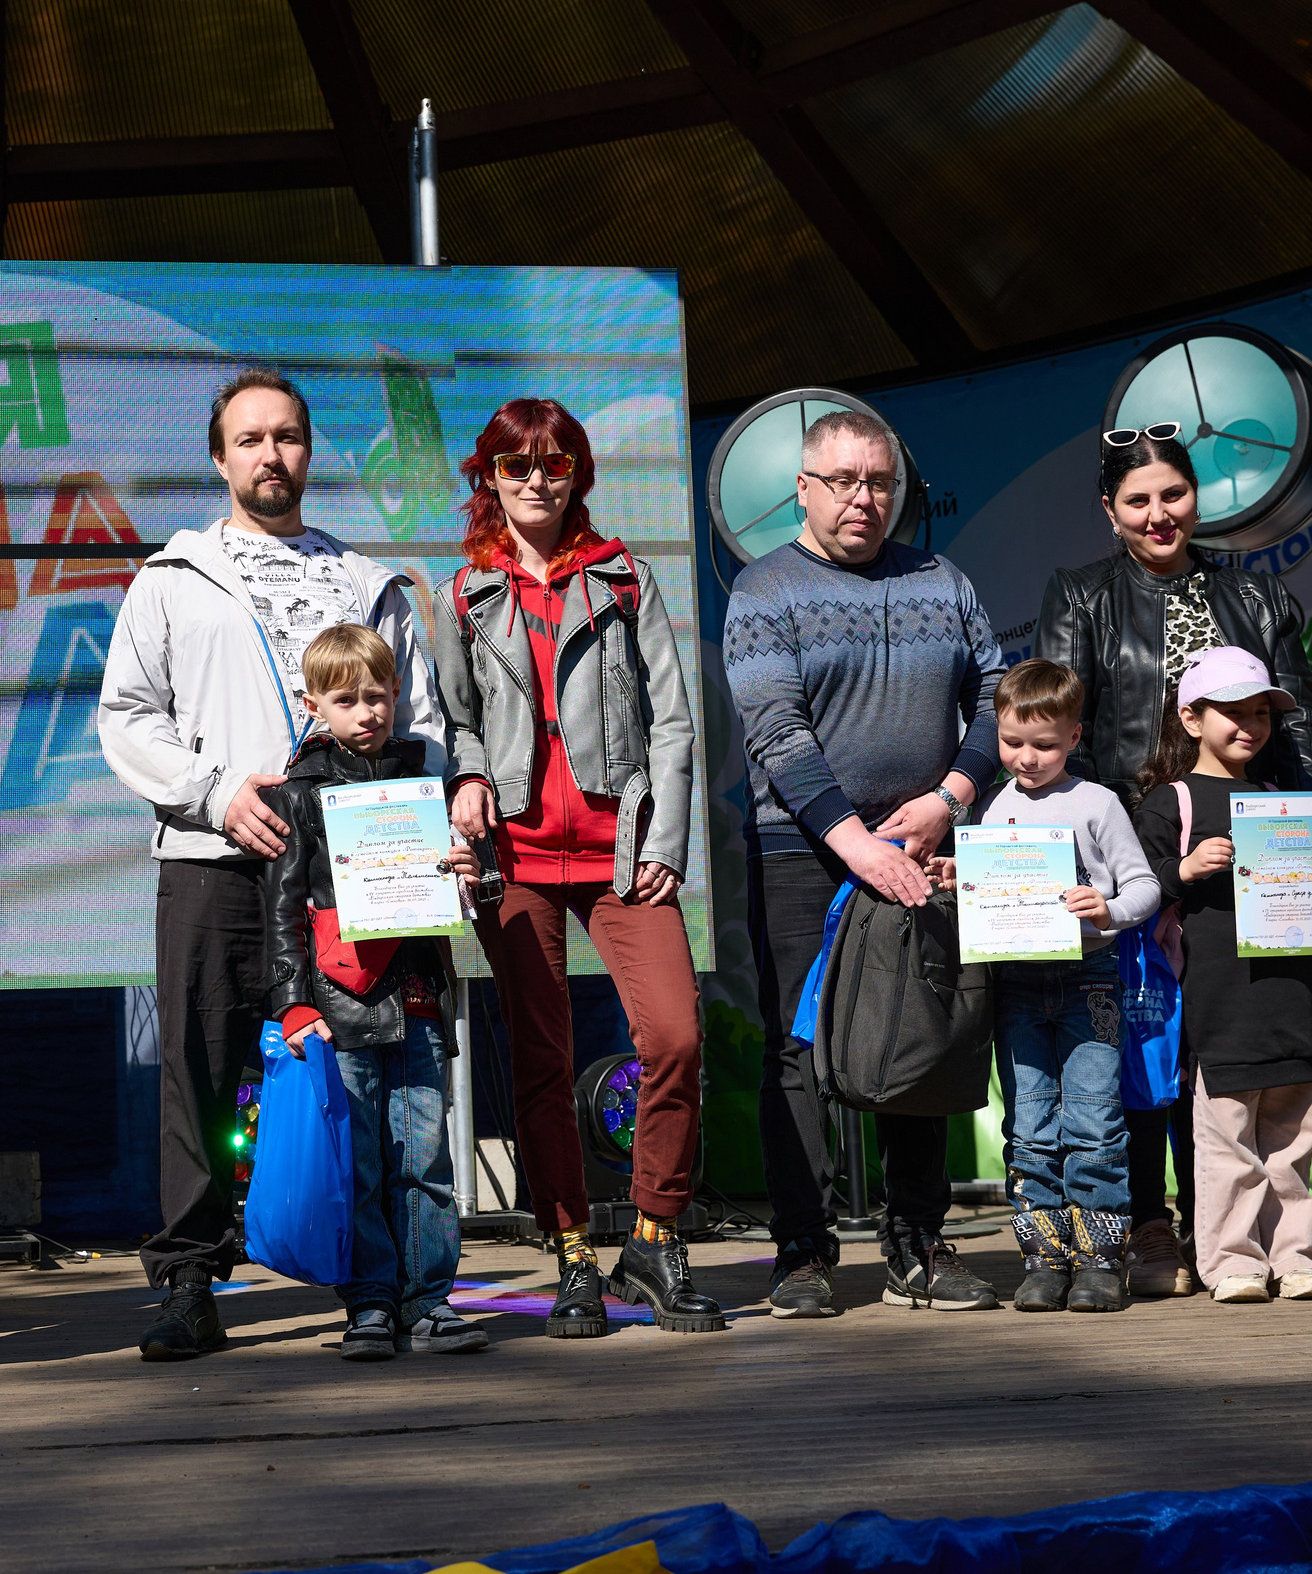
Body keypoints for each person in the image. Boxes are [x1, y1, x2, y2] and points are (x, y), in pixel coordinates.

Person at [99, 367, 444, 1363]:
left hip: (355, 875)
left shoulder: (366, 581)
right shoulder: (172, 576)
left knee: (361, 1070)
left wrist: (435, 827)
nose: (270, 454)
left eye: (287, 436)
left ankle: (369, 1283)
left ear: (308, 449)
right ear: (219, 457)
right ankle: (189, 1280)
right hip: (215, 855)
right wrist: (216, 794)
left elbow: (417, 725)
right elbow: (126, 715)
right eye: (249, 438)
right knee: (200, 1069)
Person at [433, 398, 720, 1337]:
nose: (536, 481)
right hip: (514, 852)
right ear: (490, 478)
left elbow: (674, 723)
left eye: (555, 465)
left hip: (621, 845)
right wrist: (469, 774)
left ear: (578, 474)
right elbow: (454, 718)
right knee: (543, 1061)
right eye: (516, 466)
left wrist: (666, 845)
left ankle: (654, 1235)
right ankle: (572, 1258)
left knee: (673, 1037)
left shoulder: (626, 578)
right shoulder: (461, 595)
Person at [1035, 426, 1312, 1298]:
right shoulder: (1080, 594)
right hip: (1138, 852)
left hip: (1245, 857)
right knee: (1143, 1049)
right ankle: (1152, 1226)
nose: (1159, 514)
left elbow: (1301, 728)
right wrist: (1129, 867)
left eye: (1173, 495)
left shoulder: (1258, 596)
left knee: (1224, 1047)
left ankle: (1241, 1239)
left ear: (1196, 497)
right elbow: (1065, 728)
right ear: (1109, 510)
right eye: (1138, 501)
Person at [723, 407, 1004, 1318]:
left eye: (880, 482)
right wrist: (856, 844)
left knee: (916, 1038)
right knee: (797, 1051)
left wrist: (949, 798)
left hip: (922, 842)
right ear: (802, 488)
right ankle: (803, 1253)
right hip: (802, 850)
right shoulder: (765, 591)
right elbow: (775, 730)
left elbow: (1002, 694)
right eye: (843, 481)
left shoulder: (944, 578)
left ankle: (917, 1243)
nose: (864, 499)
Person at [261, 624, 487, 1360]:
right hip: (339, 1007)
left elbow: (476, 883)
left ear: (398, 695)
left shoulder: (428, 776)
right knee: (357, 1163)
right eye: (346, 698)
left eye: (378, 695)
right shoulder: (300, 791)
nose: (367, 711)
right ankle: (368, 1304)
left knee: (423, 1160)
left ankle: (429, 1301)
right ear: (312, 704)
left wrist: (469, 870)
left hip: (418, 998)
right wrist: (294, 1002)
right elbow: (281, 910)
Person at [933, 660, 1160, 1314]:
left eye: (1044, 744)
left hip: (1090, 984)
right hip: (1017, 988)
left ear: (1075, 738)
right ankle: (1043, 1258)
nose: (1026, 758)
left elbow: (1142, 885)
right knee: (1030, 1127)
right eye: (1011, 742)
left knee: (1093, 1122)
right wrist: (961, 874)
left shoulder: (1097, 803)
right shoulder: (992, 807)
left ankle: (1099, 1258)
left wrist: (1108, 908)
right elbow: (991, 893)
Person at [1131, 647, 1312, 1304]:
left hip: (1290, 997)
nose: (1250, 725)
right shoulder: (1169, 803)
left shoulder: (1283, 802)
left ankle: (1296, 1259)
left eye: (1260, 712)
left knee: (1290, 1140)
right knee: (1227, 1139)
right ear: (1192, 718)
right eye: (1233, 711)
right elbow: (1135, 891)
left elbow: (1307, 894)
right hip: (1215, 1004)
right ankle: (1232, 1262)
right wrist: (1186, 870)